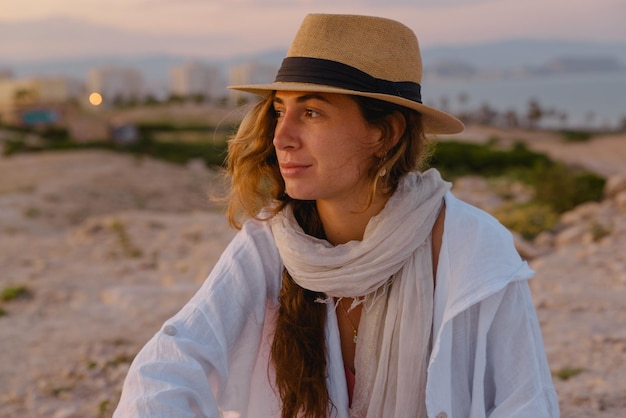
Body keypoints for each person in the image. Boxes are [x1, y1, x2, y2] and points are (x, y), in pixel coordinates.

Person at [114, 13, 559, 418]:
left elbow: (527, 404)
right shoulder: (273, 243)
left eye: (311, 112)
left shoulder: (473, 247)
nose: (281, 137)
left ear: (384, 133)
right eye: (278, 111)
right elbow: (167, 365)